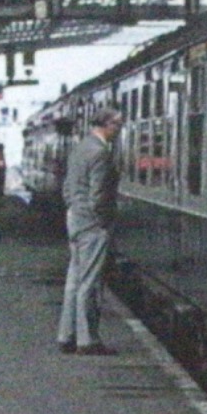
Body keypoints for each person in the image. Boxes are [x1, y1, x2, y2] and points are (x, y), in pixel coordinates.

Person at [57, 108, 124, 356]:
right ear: (106, 124)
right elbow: (99, 196)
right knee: (90, 282)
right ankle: (87, 340)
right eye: (117, 124)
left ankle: (66, 335)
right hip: (92, 224)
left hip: (75, 218)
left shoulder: (80, 148)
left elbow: (67, 187)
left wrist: (73, 209)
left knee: (74, 279)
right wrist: (103, 223)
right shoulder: (100, 153)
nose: (119, 130)